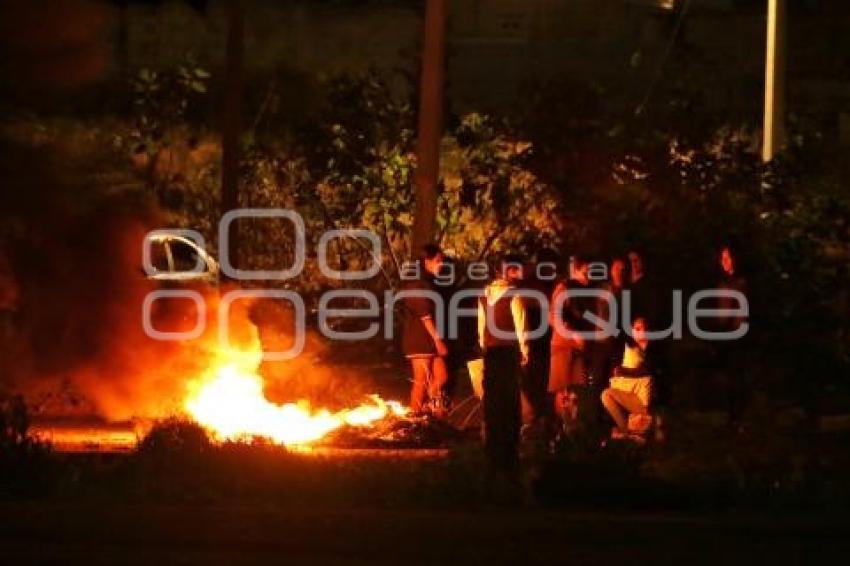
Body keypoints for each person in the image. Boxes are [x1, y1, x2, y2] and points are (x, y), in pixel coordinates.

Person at [478, 255, 529, 473]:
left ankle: (492, 443)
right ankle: (509, 446)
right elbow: (521, 326)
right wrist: (525, 351)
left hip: (491, 351)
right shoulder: (514, 295)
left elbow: (481, 328)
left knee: (492, 399)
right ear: (509, 272)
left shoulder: (484, 294)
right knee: (509, 399)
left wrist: (484, 346)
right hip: (508, 351)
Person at [400, 244, 449, 416]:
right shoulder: (416, 283)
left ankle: (429, 410)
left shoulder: (427, 282)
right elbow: (424, 315)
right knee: (420, 381)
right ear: (426, 261)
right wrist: (438, 340)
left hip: (428, 339)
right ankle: (412, 418)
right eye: (437, 260)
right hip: (420, 339)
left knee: (442, 376)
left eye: (441, 260)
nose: (441, 264)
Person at [548, 256, 596, 430]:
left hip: (579, 350)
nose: (588, 276)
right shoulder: (564, 288)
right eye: (585, 272)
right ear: (574, 271)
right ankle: (562, 430)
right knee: (563, 392)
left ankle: (575, 429)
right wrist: (574, 333)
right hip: (563, 347)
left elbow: (584, 316)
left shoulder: (583, 291)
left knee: (577, 392)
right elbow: (554, 317)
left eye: (590, 272)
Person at [601, 317, 654, 441]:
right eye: (636, 328)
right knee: (606, 395)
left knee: (607, 394)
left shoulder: (653, 349)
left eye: (642, 328)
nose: (640, 331)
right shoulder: (629, 347)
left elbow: (646, 370)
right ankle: (627, 431)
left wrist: (624, 371)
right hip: (630, 394)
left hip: (643, 401)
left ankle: (627, 433)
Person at [715, 244, 749, 426]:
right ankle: (731, 416)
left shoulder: (741, 282)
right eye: (723, 258)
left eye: (728, 258)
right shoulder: (723, 282)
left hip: (737, 336)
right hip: (725, 336)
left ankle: (738, 417)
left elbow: (735, 309)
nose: (725, 262)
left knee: (737, 376)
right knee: (728, 378)